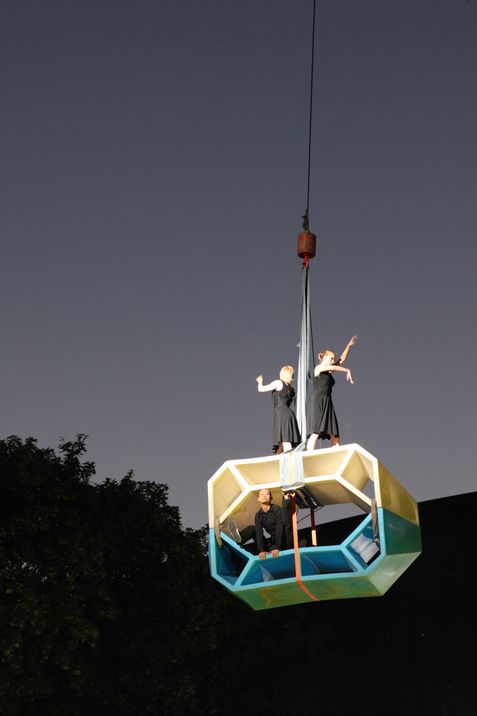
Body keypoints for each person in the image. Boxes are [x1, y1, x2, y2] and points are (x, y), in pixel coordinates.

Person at [306, 335, 357, 451]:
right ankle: (309, 454)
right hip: (318, 400)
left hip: (328, 401)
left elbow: (341, 361)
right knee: (316, 431)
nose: (333, 361)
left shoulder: (329, 370)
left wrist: (349, 346)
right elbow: (337, 367)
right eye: (331, 358)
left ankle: (335, 454)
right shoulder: (318, 368)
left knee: (334, 433)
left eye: (334, 359)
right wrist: (347, 370)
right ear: (324, 358)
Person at [227, 488, 284, 560]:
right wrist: (262, 551)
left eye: (267, 494)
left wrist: (277, 547)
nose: (264, 496)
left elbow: (280, 530)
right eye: (262, 494)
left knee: (273, 546)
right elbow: (259, 533)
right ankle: (240, 538)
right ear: (259, 499)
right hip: (272, 542)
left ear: (271, 498)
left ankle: (274, 547)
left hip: (282, 540)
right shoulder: (258, 515)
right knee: (253, 529)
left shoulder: (277, 511)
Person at [256, 366, 301, 454]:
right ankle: (278, 460)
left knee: (285, 439)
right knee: (283, 441)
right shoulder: (290, 389)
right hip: (288, 414)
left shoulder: (278, 383)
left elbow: (261, 389)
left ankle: (289, 459)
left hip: (281, 413)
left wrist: (260, 383)